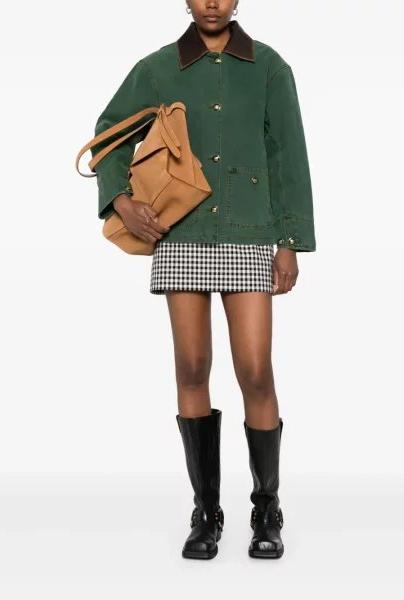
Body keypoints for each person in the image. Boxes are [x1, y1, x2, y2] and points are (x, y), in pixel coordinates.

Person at [90, 0, 315, 560]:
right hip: (181, 232)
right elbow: (108, 134)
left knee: (255, 369)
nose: (212, 1)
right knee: (191, 366)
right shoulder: (157, 69)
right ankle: (206, 512)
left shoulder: (270, 67)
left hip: (249, 229)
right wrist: (121, 199)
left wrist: (289, 240)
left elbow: (289, 154)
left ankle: (267, 509)